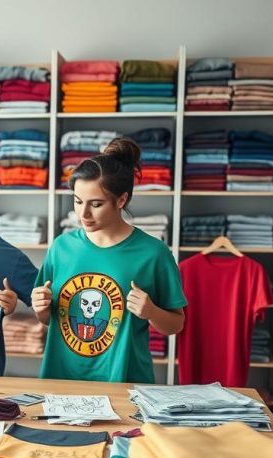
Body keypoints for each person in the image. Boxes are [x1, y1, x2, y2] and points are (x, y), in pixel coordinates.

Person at [31, 138, 187, 383]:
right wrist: (40, 309)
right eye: (78, 201)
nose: (83, 214)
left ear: (121, 200)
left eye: (96, 204)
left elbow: (175, 324)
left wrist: (151, 312)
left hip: (125, 383)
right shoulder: (61, 248)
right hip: (62, 382)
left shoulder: (154, 253)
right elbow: (52, 321)